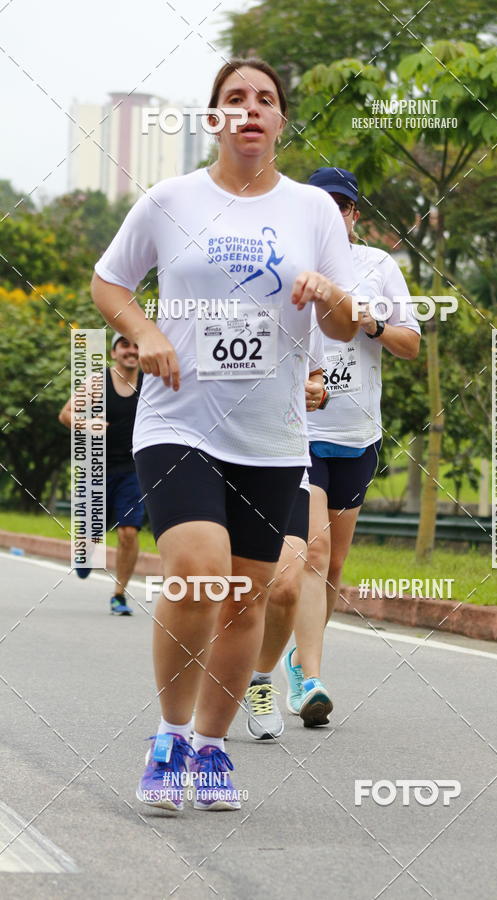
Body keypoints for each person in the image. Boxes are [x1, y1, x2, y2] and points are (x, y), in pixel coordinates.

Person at [90, 59, 358, 811]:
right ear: (213, 118)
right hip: (178, 422)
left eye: (265, 100)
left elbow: (342, 323)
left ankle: (211, 751)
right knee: (199, 572)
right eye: (235, 98)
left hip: (272, 436)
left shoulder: (311, 211)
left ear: (280, 122)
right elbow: (108, 280)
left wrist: (330, 292)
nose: (250, 109)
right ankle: (169, 736)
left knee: (245, 599)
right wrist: (144, 331)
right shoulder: (170, 200)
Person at [282, 167, 421, 727]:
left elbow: (411, 343)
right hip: (300, 436)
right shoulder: (291, 265)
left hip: (358, 436)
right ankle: (310, 679)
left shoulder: (377, 266)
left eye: (343, 205)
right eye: (323, 203)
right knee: (312, 556)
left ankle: (298, 657)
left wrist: (371, 327)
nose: (334, 213)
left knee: (334, 566)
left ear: (354, 215)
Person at [243, 334, 326, 740]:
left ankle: (259, 681)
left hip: (284, 458)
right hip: (215, 458)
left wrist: (315, 391)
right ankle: (211, 680)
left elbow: (315, 377)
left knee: (286, 585)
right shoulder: (203, 293)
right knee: (225, 585)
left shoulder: (299, 304)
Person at [59, 332, 144, 615]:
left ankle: (119, 594)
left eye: (135, 346)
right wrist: (86, 423)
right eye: (124, 346)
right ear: (113, 353)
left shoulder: (150, 384)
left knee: (129, 533)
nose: (131, 351)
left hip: (133, 469)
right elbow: (66, 414)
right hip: (97, 466)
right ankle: (84, 552)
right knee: (91, 535)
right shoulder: (97, 383)